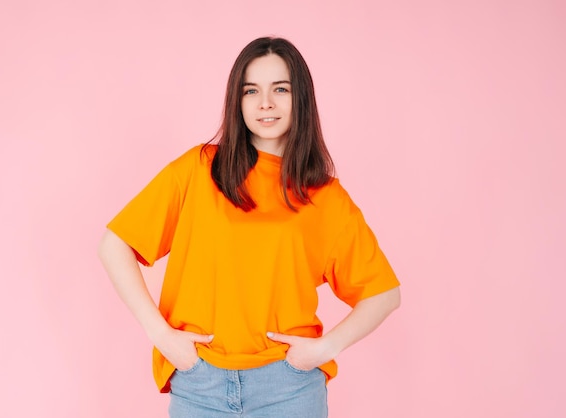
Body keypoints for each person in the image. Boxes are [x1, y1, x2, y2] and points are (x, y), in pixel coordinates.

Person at [98, 36, 401, 418]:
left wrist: (325, 349)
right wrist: (161, 336)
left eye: (281, 89)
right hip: (199, 385)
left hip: (289, 389)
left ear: (300, 99)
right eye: (251, 90)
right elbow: (114, 245)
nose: (265, 104)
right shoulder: (199, 169)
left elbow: (384, 294)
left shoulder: (324, 195)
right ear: (237, 100)